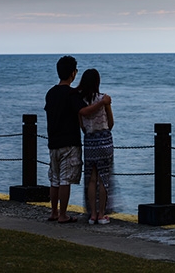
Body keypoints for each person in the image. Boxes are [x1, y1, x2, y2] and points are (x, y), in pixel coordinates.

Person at [45, 56, 111, 224]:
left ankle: (54, 212)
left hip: (53, 141)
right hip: (69, 142)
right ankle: (63, 215)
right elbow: (83, 111)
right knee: (65, 179)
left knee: (54, 179)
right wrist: (103, 103)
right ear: (73, 74)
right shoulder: (72, 94)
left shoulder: (51, 93)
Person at [77, 68, 114, 225]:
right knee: (103, 178)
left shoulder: (80, 101)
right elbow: (111, 123)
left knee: (91, 179)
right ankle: (101, 214)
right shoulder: (103, 99)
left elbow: (82, 126)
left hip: (90, 141)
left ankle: (92, 214)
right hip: (104, 139)